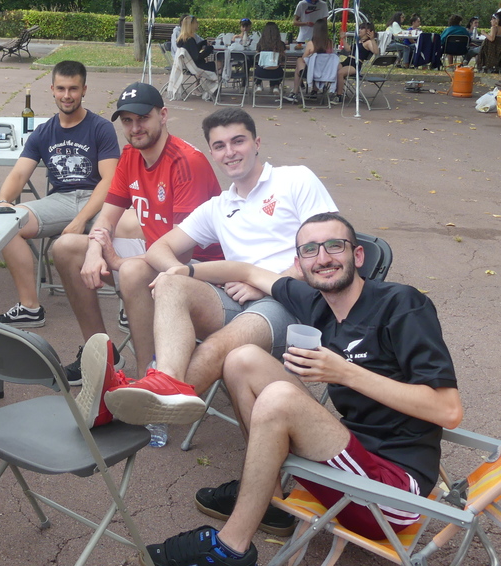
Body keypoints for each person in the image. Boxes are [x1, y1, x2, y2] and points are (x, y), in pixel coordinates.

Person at [137, 213, 462, 566]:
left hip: (392, 492)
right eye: (310, 250)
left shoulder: (402, 305)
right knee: (242, 359)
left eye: (334, 246)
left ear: (357, 256)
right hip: (351, 452)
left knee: (280, 398)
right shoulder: (316, 303)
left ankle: (230, 548)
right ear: (300, 264)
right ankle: (270, 500)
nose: (322, 258)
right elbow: (246, 272)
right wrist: (184, 271)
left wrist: (344, 372)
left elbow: (448, 411)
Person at [103, 107, 338, 433]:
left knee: (216, 348)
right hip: (237, 298)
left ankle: (137, 411)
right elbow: (159, 249)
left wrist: (264, 283)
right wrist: (180, 273)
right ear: (212, 153)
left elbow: (328, 249)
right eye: (219, 146)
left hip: (291, 302)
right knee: (170, 283)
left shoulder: (295, 179)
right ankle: (164, 381)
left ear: (256, 143)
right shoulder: (218, 207)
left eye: (238, 141)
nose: (230, 152)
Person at [52, 83, 224, 382]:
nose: (135, 128)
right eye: (127, 121)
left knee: (132, 270)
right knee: (66, 247)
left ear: (163, 115)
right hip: (156, 253)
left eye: (143, 118)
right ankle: (101, 358)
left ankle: (148, 378)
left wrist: (119, 261)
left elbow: (182, 252)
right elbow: (107, 217)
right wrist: (94, 251)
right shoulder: (131, 154)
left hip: (199, 269)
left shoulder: (186, 162)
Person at [0, 61, 122, 327]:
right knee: (8, 223)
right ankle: (29, 307)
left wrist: (81, 220)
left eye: (73, 89)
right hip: (60, 200)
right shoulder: (43, 132)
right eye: (61, 88)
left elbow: (110, 181)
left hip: (98, 200)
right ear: (52, 89)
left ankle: (130, 305)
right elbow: (19, 175)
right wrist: (3, 201)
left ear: (84, 90)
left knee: (130, 227)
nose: (67, 95)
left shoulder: (101, 128)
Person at [170, 15, 218, 101]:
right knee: (220, 64)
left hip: (188, 66)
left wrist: (203, 43)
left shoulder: (182, 39)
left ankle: (209, 88)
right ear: (191, 25)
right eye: (196, 22)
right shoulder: (190, 40)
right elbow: (197, 57)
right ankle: (212, 90)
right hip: (196, 68)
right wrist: (209, 49)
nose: (198, 24)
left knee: (216, 65)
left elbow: (192, 51)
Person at [292, 18, 339, 99]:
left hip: (311, 73)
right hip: (326, 73)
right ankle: (314, 90)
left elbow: (304, 59)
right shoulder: (330, 43)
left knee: (299, 62)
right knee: (319, 65)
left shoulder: (311, 44)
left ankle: (294, 93)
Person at [334, 21, 379, 92]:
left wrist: (372, 39)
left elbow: (376, 52)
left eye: (362, 28)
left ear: (368, 31)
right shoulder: (359, 41)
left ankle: (339, 94)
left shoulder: (368, 42)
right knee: (332, 68)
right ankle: (332, 89)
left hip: (355, 64)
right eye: (359, 28)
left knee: (340, 73)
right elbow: (348, 49)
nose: (359, 30)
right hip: (347, 60)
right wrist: (343, 39)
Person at [253, 21, 285, 95]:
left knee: (257, 68)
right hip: (277, 73)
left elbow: (257, 58)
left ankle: (258, 85)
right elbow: (283, 61)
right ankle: (276, 86)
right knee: (276, 67)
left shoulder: (261, 43)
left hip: (261, 73)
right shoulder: (280, 44)